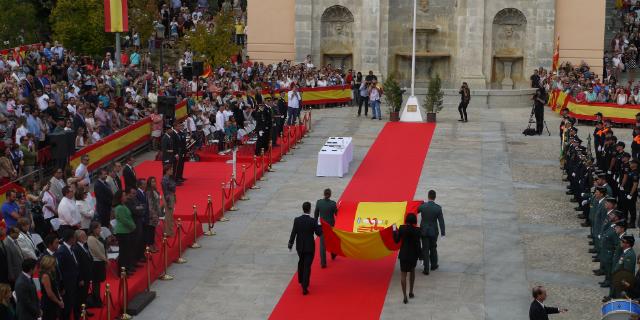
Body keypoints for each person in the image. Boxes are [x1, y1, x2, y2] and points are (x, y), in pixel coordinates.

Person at [288, 202, 322, 295]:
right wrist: (319, 223)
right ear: (310, 209)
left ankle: (300, 279)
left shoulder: (297, 220)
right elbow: (319, 233)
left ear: (303, 209)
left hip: (300, 247)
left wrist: (290, 243)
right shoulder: (313, 221)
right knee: (307, 266)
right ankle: (304, 286)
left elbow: (293, 232)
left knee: (301, 262)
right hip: (309, 247)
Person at [393, 213, 422, 304]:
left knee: (403, 275)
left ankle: (404, 296)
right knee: (412, 272)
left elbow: (396, 240)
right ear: (414, 221)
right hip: (413, 255)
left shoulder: (401, 228)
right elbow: (418, 245)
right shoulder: (418, 230)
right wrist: (421, 257)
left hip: (404, 255)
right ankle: (411, 292)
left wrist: (394, 230)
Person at [418, 190, 445, 275]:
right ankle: (434, 265)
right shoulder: (438, 208)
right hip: (434, 231)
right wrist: (443, 233)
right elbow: (441, 221)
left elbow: (415, 210)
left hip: (424, 231)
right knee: (433, 247)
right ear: (435, 197)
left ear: (428, 196)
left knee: (425, 249)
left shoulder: (422, 206)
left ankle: (426, 269)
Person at [55, 229, 80, 320]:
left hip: (73, 282)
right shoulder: (62, 251)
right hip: (66, 284)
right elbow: (59, 271)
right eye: (75, 237)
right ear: (71, 239)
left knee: (70, 305)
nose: (76, 239)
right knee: (66, 308)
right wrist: (62, 286)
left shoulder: (70, 248)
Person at [314, 188, 338, 268]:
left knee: (322, 245)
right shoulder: (333, 204)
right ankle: (333, 254)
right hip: (331, 226)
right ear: (330, 194)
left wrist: (316, 225)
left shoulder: (319, 202)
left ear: (324, 194)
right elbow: (337, 214)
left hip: (322, 226)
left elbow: (316, 214)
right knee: (332, 241)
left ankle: (323, 263)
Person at [114, 190, 136, 273]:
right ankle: (122, 271)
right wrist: (133, 226)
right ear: (120, 198)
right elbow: (124, 220)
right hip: (122, 232)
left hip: (127, 230)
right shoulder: (119, 207)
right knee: (123, 252)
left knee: (127, 251)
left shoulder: (123, 206)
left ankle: (126, 268)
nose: (126, 197)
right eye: (124, 196)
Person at [72, 230, 93, 317]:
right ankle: (78, 313)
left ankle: (84, 310)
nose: (85, 237)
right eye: (82, 236)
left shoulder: (84, 245)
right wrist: (80, 278)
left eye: (85, 235)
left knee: (84, 295)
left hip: (87, 275)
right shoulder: (76, 248)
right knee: (80, 296)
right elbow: (77, 265)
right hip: (82, 277)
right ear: (78, 238)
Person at [86, 222, 106, 308]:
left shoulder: (98, 237)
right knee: (96, 283)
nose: (100, 230)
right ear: (94, 229)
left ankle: (97, 299)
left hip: (100, 262)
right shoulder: (90, 239)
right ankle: (96, 300)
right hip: (96, 263)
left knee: (98, 283)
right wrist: (106, 259)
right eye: (98, 228)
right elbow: (97, 252)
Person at [40, 255, 63, 320]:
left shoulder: (49, 273)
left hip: (52, 302)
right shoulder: (45, 276)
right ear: (48, 264)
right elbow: (49, 293)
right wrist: (59, 302)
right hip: (49, 304)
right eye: (53, 264)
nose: (54, 266)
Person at [145, 177, 162, 252]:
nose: (154, 183)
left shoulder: (155, 191)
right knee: (150, 230)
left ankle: (152, 243)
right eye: (152, 182)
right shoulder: (148, 192)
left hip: (156, 212)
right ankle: (150, 245)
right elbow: (150, 205)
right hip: (151, 215)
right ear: (149, 183)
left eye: (155, 181)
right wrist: (153, 214)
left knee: (153, 229)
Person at [162, 165, 176, 237]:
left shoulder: (169, 178)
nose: (172, 171)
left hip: (171, 195)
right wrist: (168, 202)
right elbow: (165, 191)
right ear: (167, 171)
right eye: (171, 170)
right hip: (168, 197)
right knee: (168, 215)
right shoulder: (164, 179)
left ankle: (170, 230)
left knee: (170, 215)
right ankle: (167, 232)